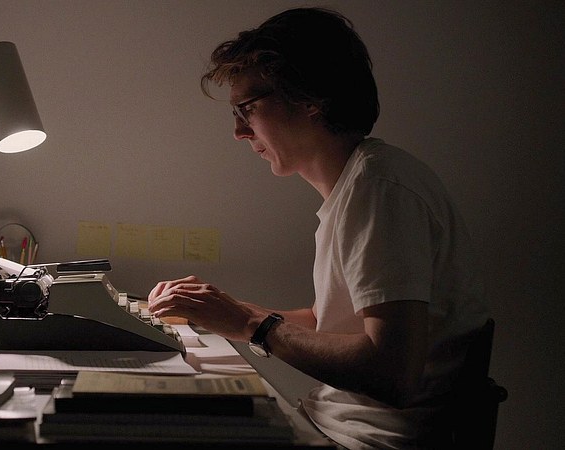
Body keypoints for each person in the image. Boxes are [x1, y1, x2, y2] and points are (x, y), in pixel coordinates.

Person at [146, 7, 490, 449]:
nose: (238, 131)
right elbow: (332, 323)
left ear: (311, 98)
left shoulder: (379, 189)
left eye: (247, 109)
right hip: (333, 424)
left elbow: (391, 372)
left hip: (365, 441)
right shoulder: (360, 185)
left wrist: (250, 323)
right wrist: (223, 310)